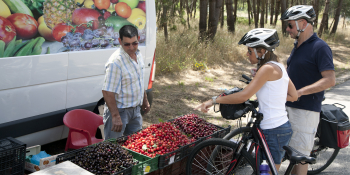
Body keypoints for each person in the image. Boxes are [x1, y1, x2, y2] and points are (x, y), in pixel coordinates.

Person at [195, 28, 298, 171]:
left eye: (250, 51)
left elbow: (243, 96)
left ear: (261, 51)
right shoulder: (278, 65)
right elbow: (294, 95)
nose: (247, 54)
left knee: (267, 172)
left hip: (273, 130)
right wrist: (268, 92)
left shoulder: (267, 69)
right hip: (278, 127)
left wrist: (214, 101)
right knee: (262, 171)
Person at [281, 5, 336, 175]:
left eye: (290, 25)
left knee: (300, 160)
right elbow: (295, 73)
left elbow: (330, 80)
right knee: (292, 158)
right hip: (289, 107)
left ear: (303, 23)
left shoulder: (320, 47)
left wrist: (300, 92)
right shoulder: (298, 46)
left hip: (305, 112)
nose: (287, 30)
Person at [102, 25, 150, 139]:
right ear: (120, 41)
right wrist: (115, 116)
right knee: (113, 149)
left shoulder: (138, 55)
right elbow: (107, 91)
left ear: (138, 38)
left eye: (135, 43)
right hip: (120, 112)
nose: (131, 47)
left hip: (136, 110)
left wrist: (145, 100)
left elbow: (139, 80)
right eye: (127, 44)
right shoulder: (115, 62)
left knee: (136, 144)